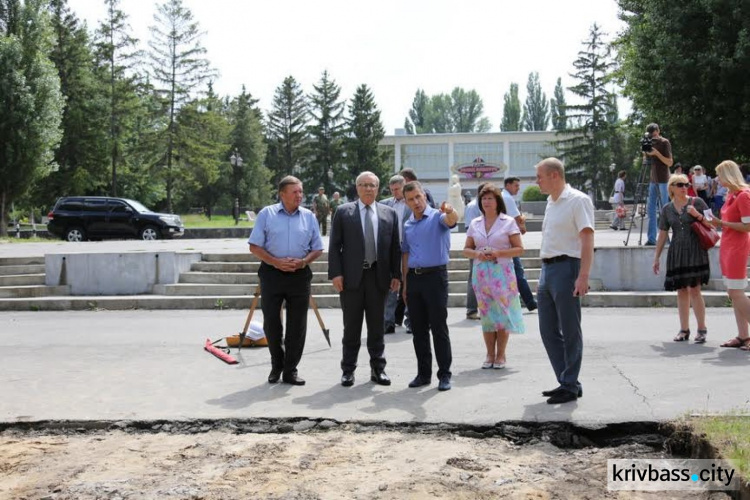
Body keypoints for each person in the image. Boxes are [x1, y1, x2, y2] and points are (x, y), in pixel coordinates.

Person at [248, 176, 324, 386]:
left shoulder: (309, 216)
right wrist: (275, 262)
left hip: (299, 275)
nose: (299, 196)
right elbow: (254, 246)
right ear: (282, 194)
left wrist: (303, 262)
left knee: (297, 325)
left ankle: (290, 370)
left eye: (301, 192)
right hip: (272, 274)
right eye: (295, 192)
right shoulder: (267, 214)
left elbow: (317, 248)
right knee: (271, 322)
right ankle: (277, 364)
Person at [328, 172, 402, 387]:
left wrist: (396, 275)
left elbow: (395, 247)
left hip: (378, 277)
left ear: (378, 188)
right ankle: (348, 370)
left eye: (372, 185)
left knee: (377, 327)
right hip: (351, 279)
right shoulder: (343, 212)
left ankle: (378, 369)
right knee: (351, 327)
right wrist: (336, 273)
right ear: (357, 188)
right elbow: (334, 246)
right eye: (363, 185)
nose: (368, 189)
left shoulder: (389, 214)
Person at [534, 158, 595, 404]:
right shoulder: (551, 202)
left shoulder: (577, 200)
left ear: (555, 175)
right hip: (547, 269)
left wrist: (583, 275)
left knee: (570, 329)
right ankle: (567, 380)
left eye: (540, 177)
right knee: (547, 330)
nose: (537, 181)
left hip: (568, 267)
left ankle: (569, 383)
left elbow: (587, 239)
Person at [401, 181, 458, 391]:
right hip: (414, 279)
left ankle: (444, 374)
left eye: (418, 197)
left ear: (424, 196)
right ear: (406, 202)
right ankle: (423, 374)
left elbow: (451, 220)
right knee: (418, 330)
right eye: (411, 199)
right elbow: (405, 254)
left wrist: (451, 210)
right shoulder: (407, 225)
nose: (416, 202)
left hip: (436, 277)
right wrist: (406, 284)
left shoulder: (437, 217)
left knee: (439, 328)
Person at [463, 184, 525, 370]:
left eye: (490, 198)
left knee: (503, 315)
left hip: (502, 274)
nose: (486, 202)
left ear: (498, 201)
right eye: (483, 199)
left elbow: (519, 249)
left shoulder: (508, 222)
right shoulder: (475, 223)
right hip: (481, 274)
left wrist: (498, 252)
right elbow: (466, 250)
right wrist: (477, 254)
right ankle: (489, 354)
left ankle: (501, 354)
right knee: (487, 316)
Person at [651, 174, 710, 343]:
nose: (684, 187)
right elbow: (662, 234)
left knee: (695, 290)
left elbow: (713, 223)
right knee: (681, 291)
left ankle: (702, 329)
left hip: (695, 250)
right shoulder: (667, 209)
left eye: (686, 184)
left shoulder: (697, 202)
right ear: (671, 188)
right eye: (680, 184)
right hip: (676, 252)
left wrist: (697, 215)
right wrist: (656, 257)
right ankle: (684, 329)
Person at [707, 160, 750, 351]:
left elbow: (748, 226)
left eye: (719, 175)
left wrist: (721, 223)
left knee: (736, 292)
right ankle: (743, 335)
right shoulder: (731, 195)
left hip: (737, 248)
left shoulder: (742, 195)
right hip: (728, 246)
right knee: (733, 292)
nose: (718, 179)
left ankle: (745, 335)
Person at [502, 177, 538, 311]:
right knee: (518, 271)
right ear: (508, 185)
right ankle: (529, 302)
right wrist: (523, 225)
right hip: (510, 241)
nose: (518, 188)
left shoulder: (503, 197)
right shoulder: (507, 198)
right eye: (516, 186)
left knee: (514, 271)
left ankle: (529, 302)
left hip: (504, 240)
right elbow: (518, 219)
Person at [381, 175, 409, 334]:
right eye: (392, 190)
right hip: (391, 251)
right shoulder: (385, 204)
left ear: (404, 187)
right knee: (392, 286)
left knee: (409, 286)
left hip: (409, 250)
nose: (394, 192)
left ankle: (410, 321)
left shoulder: (413, 203)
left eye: (397, 189)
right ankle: (388, 322)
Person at [644, 123, 673, 245]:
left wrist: (657, 154)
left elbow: (670, 162)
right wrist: (645, 153)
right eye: (651, 135)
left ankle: (665, 238)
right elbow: (645, 161)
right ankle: (651, 239)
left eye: (655, 134)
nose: (653, 137)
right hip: (653, 180)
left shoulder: (664, 142)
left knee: (664, 209)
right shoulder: (648, 142)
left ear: (658, 131)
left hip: (663, 180)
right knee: (650, 210)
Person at [463, 184, 485, 320]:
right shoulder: (472, 206)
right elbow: (469, 229)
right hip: (476, 248)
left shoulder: (481, 205)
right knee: (474, 278)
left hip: (487, 248)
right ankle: (471, 309)